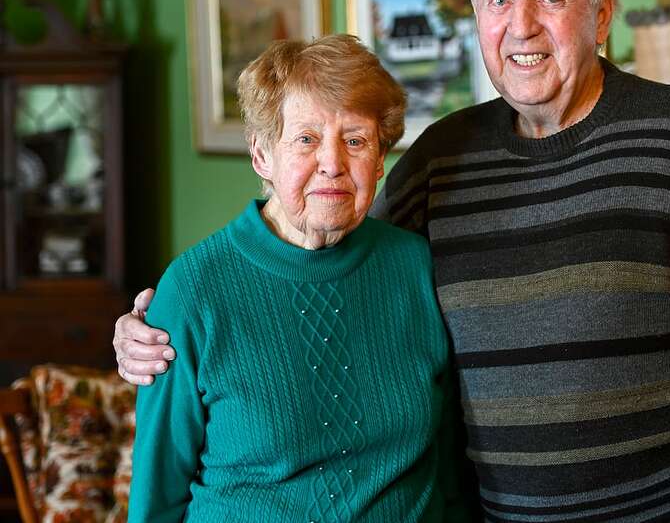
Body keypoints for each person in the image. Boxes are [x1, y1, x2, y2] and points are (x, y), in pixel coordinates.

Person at [116, 0, 670, 523]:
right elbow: (328, 250)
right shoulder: (441, 160)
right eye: (498, 0)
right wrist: (152, 328)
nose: (522, 26)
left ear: (601, 14)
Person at [126, 34, 468, 522]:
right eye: (306, 139)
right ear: (261, 154)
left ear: (379, 160)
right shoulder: (193, 290)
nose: (333, 164)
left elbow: (451, 473)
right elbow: (156, 498)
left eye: (355, 141)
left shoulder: (415, 266)